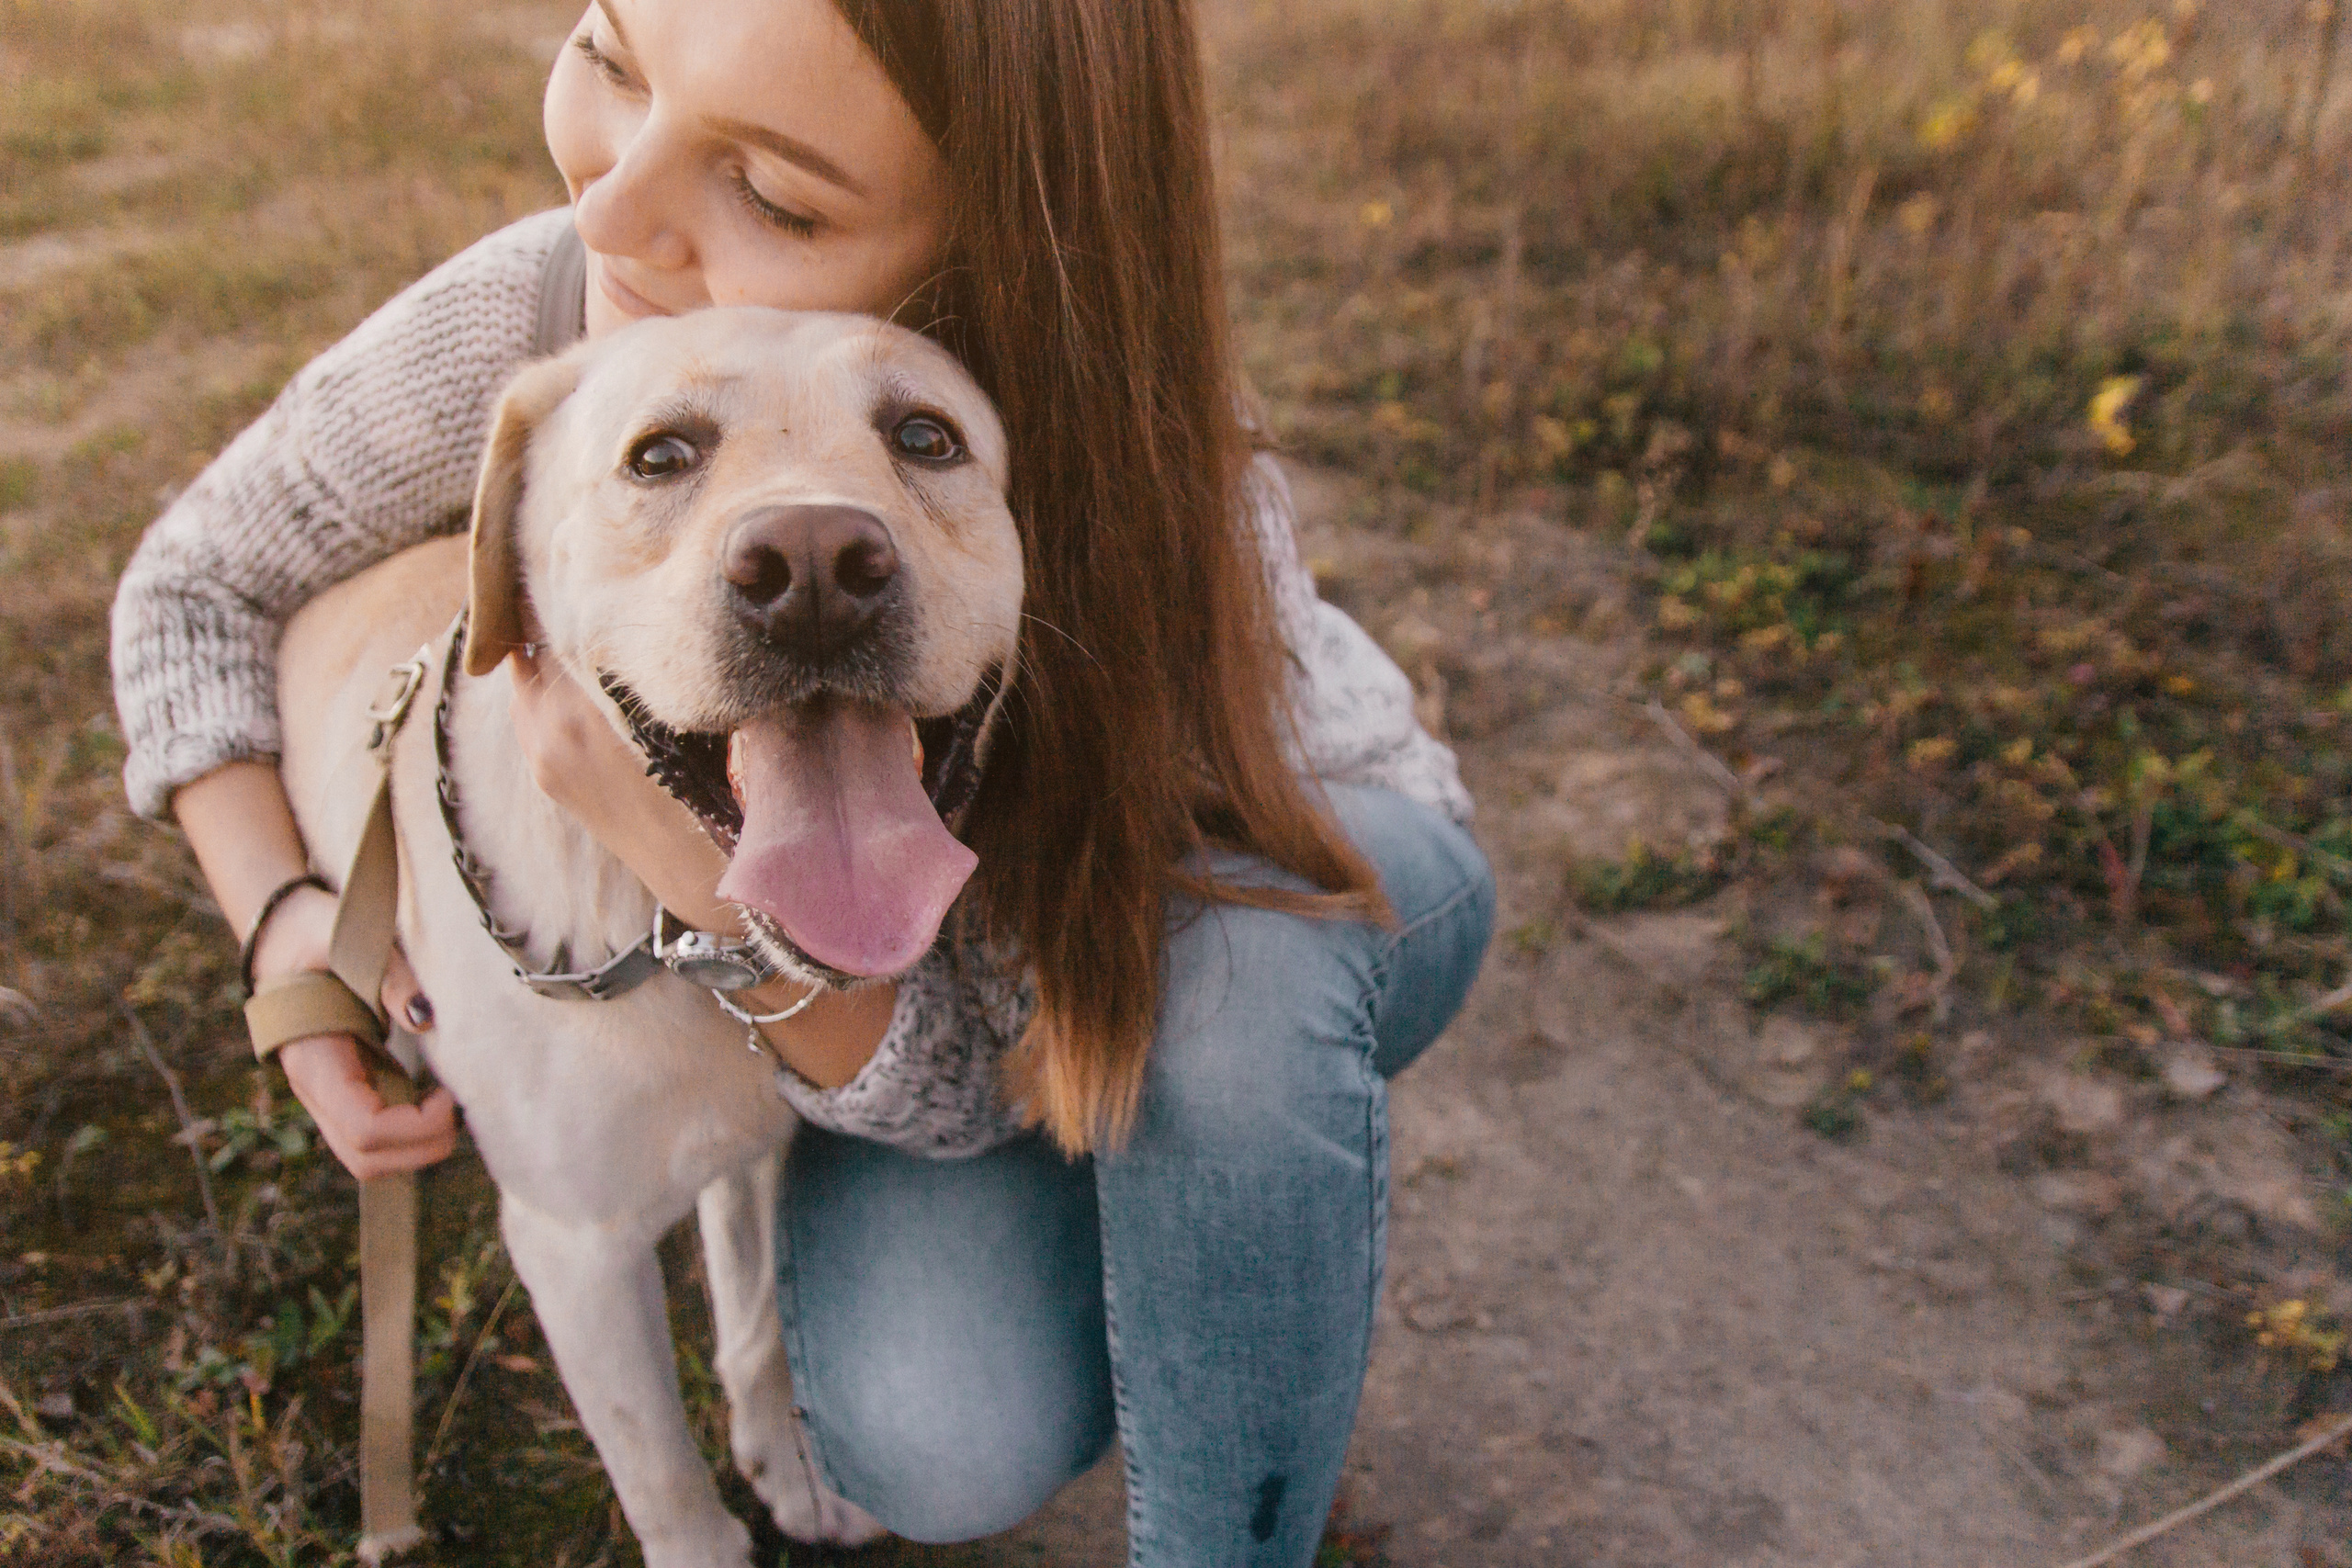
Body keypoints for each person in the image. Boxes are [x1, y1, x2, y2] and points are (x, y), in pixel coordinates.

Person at [109, 0, 1495, 1560]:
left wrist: (709, 886)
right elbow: (193, 582)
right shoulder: (560, 302)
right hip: (919, 1026)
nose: (611, 203)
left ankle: (1230, 1419)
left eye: (773, 192)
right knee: (938, 1432)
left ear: (998, 233)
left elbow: (984, 1066)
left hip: (1295, 871)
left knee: (1226, 1017)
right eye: (615, 59)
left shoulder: (1129, 429)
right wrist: (289, 926)